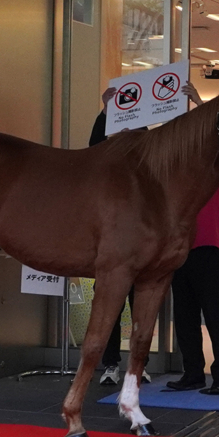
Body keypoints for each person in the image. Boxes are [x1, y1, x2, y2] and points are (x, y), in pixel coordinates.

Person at [166, 81, 219, 395]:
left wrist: (197, 102)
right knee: (185, 315)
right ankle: (193, 372)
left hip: (210, 247)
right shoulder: (180, 173)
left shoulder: (216, 169)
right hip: (183, 247)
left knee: (213, 313)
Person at [89, 86, 150, 386]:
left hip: (139, 248)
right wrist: (105, 111)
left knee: (141, 305)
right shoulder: (109, 163)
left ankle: (139, 364)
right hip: (113, 246)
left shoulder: (145, 160)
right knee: (110, 304)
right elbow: (93, 145)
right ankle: (111, 364)